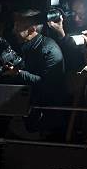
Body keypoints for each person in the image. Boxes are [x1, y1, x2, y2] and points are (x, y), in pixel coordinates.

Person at [4, 9, 67, 138]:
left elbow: (49, 85)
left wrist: (18, 73)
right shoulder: (21, 46)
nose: (13, 30)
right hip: (24, 112)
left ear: (32, 29)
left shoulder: (49, 49)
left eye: (18, 26)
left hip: (44, 118)